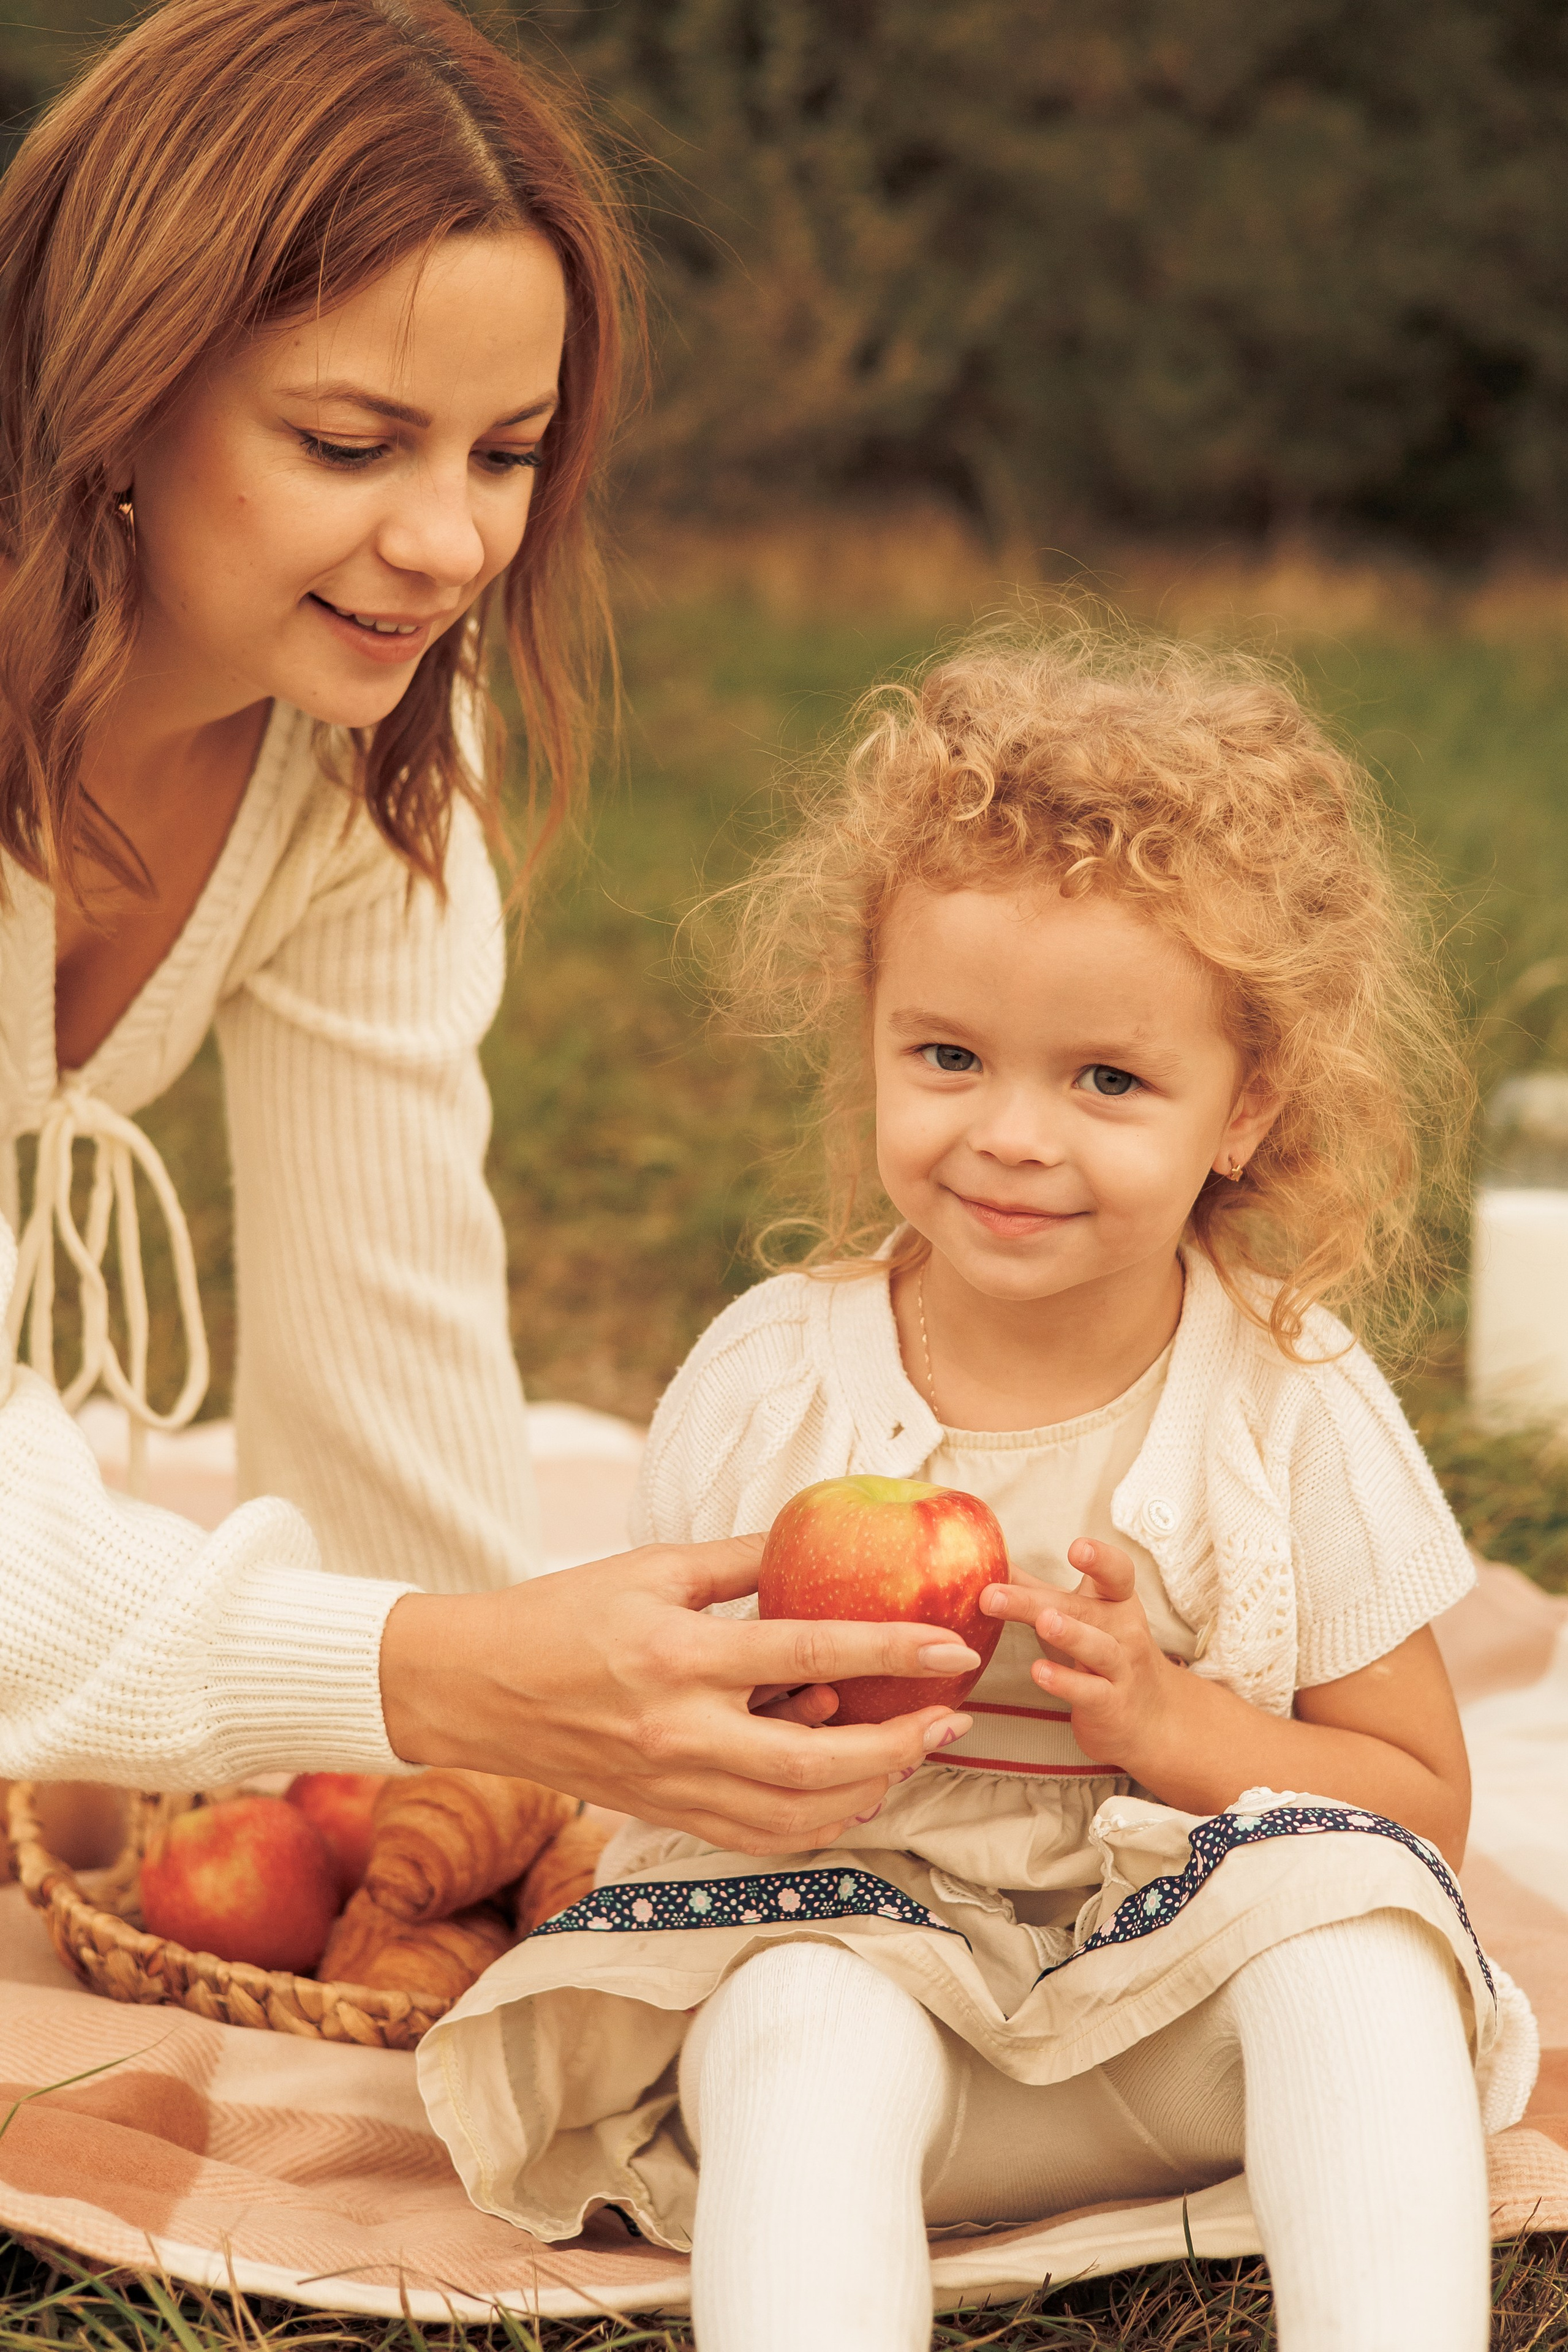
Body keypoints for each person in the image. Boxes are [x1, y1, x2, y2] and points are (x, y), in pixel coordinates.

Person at [416, 628, 1537, 2352]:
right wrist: (768, 1724)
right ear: (866, 1036)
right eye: (949, 1058)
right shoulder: (777, 1378)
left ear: (1246, 1108)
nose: (1013, 1134)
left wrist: (1176, 1726)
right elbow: (664, 1712)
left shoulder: (1288, 1400)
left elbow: (1417, 1799)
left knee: (1360, 1952)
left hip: (1183, 2020)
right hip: (877, 1979)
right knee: (796, 2022)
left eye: (1106, 1080)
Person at [0, 0, 971, 1847]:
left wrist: (487, 1789)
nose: (449, 545)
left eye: (504, 454)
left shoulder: (367, 737)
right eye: (352, 444)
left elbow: (391, 1342)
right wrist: (432, 1673)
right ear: (111, 396)